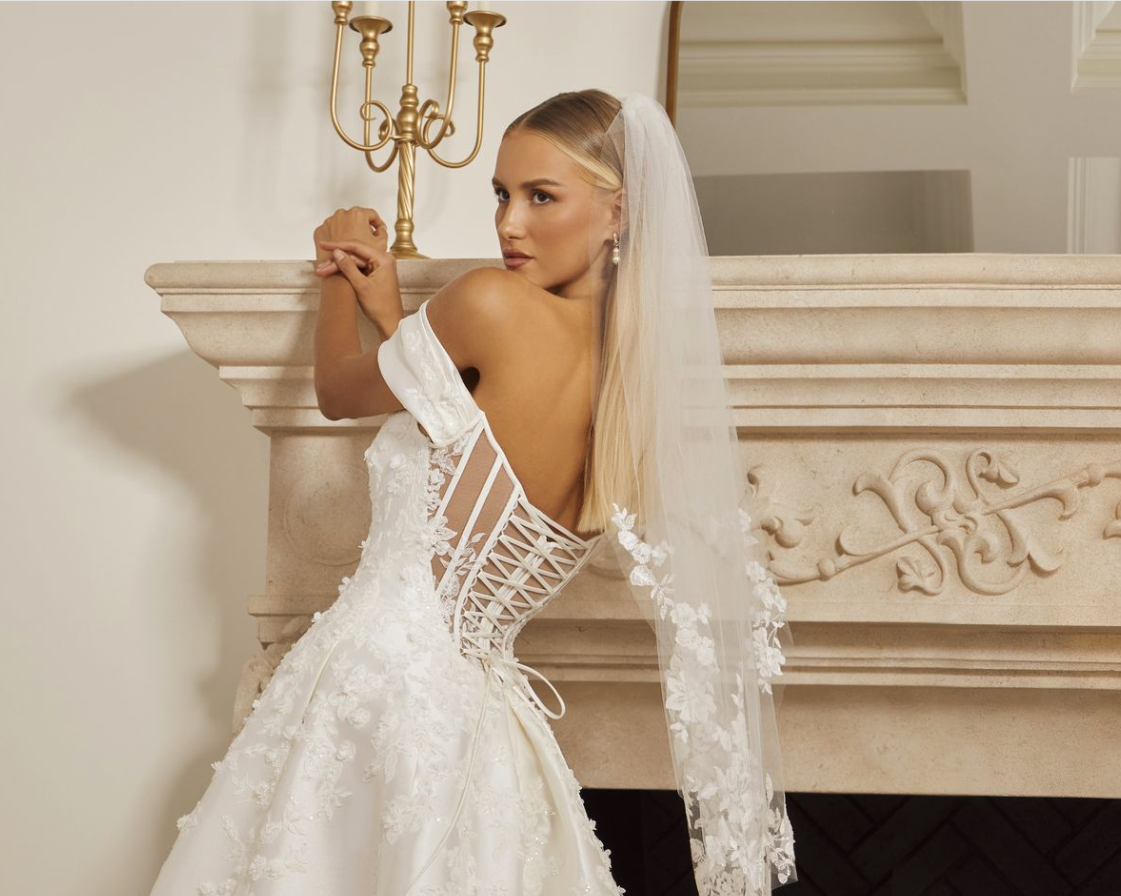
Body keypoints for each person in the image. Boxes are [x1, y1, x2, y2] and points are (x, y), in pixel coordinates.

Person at [148, 90, 797, 896]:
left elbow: (341, 393)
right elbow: (469, 426)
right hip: (475, 719)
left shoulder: (491, 303)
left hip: (374, 685)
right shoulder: (632, 393)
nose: (509, 224)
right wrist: (396, 316)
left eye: (541, 196)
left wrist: (335, 274)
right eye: (501, 193)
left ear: (618, 212)